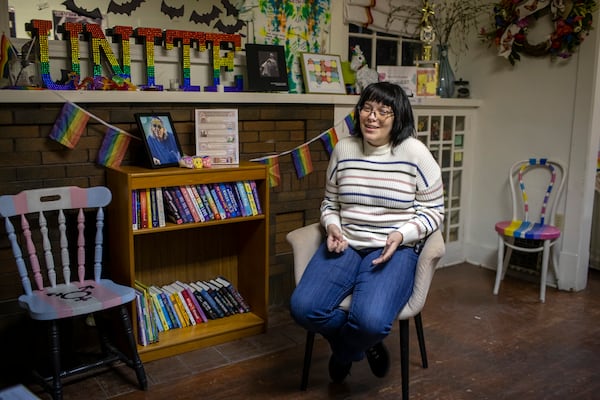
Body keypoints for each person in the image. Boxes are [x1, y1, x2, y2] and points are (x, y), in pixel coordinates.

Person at [289, 81, 444, 383]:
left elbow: (434, 211)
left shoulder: (415, 153)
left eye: (383, 111)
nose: (372, 117)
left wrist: (402, 234)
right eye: (367, 109)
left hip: (394, 249)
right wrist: (332, 225)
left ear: (398, 117)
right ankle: (359, 348)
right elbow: (330, 202)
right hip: (346, 244)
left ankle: (345, 352)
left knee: (371, 322)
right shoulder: (344, 148)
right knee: (303, 309)